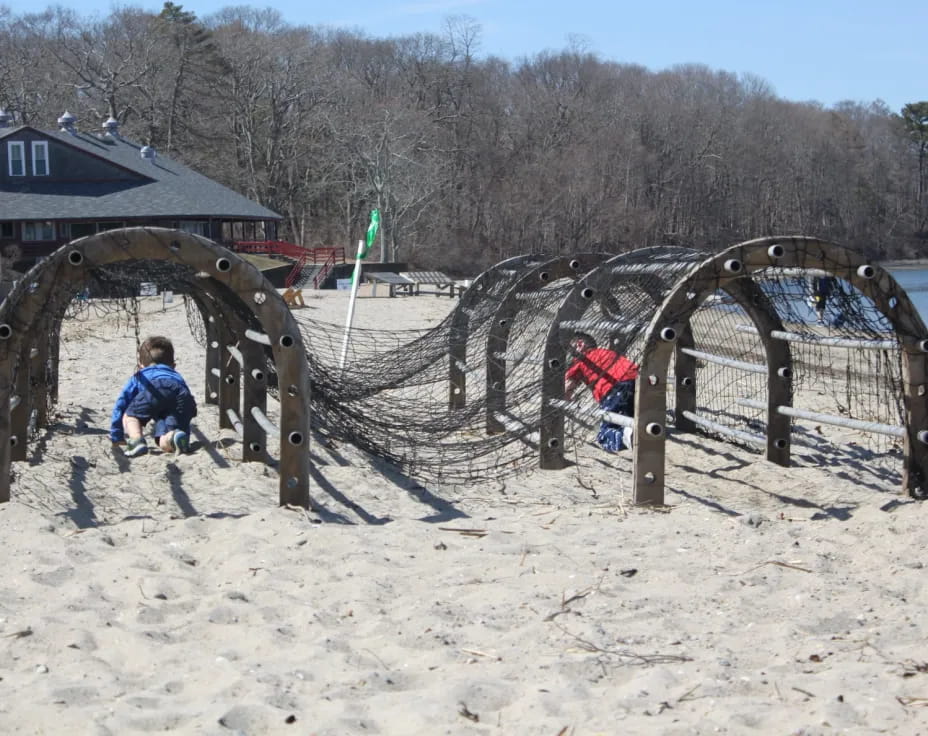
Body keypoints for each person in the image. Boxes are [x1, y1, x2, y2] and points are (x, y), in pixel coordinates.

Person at [110, 336, 197, 457]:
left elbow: (121, 403)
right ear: (173, 365)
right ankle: (173, 437)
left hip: (155, 387)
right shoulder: (176, 375)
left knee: (130, 416)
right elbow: (186, 402)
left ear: (140, 366)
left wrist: (116, 434)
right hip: (180, 393)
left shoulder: (141, 376)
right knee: (163, 441)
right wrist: (184, 430)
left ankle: (136, 441)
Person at [564, 332, 639, 452]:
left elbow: (567, 387)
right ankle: (632, 430)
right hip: (636, 383)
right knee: (627, 417)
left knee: (604, 434)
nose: (571, 355)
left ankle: (626, 435)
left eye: (571, 349)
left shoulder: (581, 360)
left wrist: (566, 401)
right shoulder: (607, 352)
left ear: (580, 344)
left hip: (613, 390)